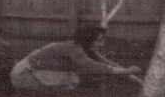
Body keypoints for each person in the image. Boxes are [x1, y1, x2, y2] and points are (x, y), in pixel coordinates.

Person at [9, 25, 142, 90]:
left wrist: (132, 77)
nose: (102, 44)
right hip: (24, 74)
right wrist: (126, 71)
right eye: (99, 40)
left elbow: (107, 63)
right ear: (89, 40)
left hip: (34, 70)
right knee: (74, 81)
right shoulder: (74, 49)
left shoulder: (85, 48)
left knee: (75, 80)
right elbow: (93, 66)